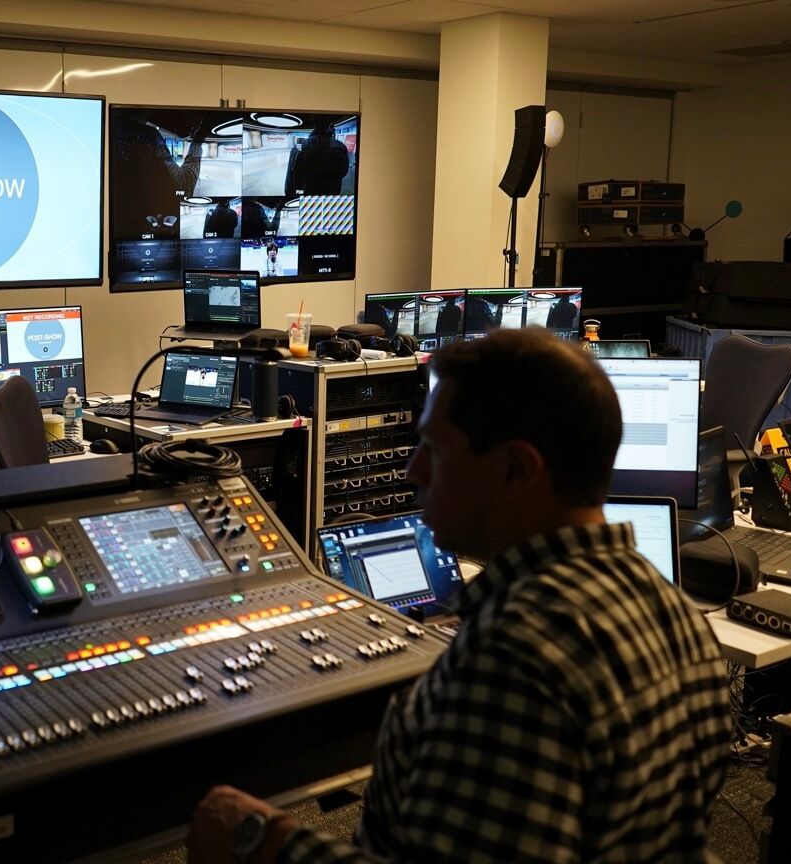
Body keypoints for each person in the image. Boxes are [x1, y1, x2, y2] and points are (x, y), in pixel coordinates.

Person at [189, 328, 731, 864]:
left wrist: (269, 841)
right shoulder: (682, 621)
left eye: (434, 449)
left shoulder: (510, 663)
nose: (413, 470)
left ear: (516, 468)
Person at [285, 119, 350, 196]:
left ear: (314, 126)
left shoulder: (298, 148)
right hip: (331, 197)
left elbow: (290, 179)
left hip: (306, 197)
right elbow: (344, 172)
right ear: (329, 126)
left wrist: (290, 195)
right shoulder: (340, 147)